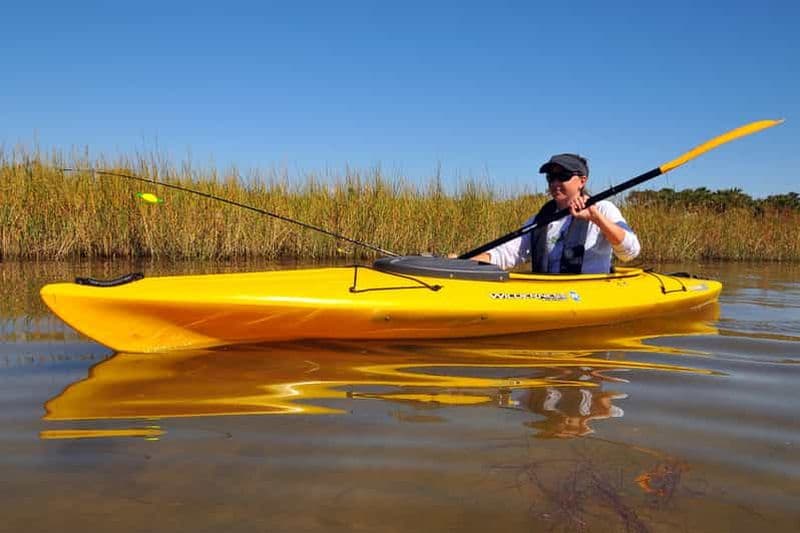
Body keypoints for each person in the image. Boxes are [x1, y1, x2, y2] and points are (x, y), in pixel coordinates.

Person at [470, 153, 640, 274]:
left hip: (589, 292)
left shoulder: (602, 209)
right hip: (551, 294)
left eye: (563, 176)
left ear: (582, 181)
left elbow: (630, 252)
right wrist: (464, 265)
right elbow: (506, 254)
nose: (555, 183)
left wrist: (596, 219)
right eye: (551, 177)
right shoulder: (540, 219)